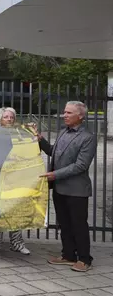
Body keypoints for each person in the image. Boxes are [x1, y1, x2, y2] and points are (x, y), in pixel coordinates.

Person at [37, 101, 96, 272]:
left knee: (78, 225)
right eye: (64, 112)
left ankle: (85, 259)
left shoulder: (88, 137)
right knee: (64, 223)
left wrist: (55, 174)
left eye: (69, 113)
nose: (65, 115)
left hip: (76, 190)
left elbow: (81, 165)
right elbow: (54, 152)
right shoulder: (63, 132)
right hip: (60, 188)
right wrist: (41, 140)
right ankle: (69, 255)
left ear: (80, 116)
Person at [0, 107, 30, 255]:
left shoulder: (20, 134)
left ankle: (17, 243)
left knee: (15, 209)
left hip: (15, 178)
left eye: (11, 117)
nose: (9, 119)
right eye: (6, 117)